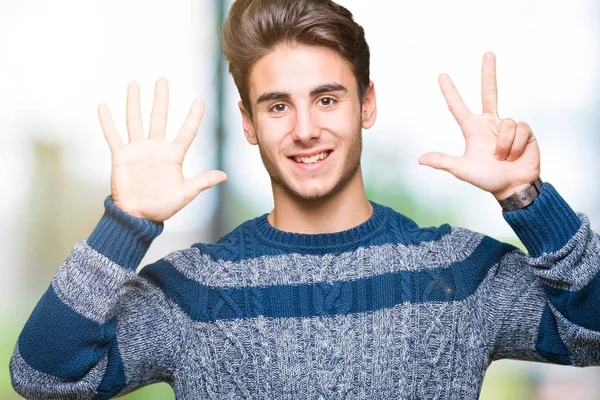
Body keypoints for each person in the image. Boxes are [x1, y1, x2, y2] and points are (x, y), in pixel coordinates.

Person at [10, 0, 600, 398]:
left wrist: (529, 199)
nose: (304, 129)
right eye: (277, 105)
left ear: (366, 104)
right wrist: (126, 222)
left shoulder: (458, 273)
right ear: (248, 122)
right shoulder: (194, 292)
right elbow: (42, 376)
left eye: (326, 99)